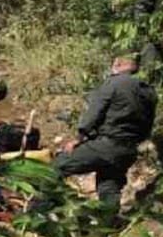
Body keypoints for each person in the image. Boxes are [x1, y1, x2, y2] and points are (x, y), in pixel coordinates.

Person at [55, 55, 157, 207]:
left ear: (117, 64)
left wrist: (79, 137)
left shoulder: (113, 84)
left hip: (106, 145)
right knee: (109, 185)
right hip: (128, 150)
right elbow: (148, 126)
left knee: (56, 167)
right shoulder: (149, 91)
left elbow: (94, 113)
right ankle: (109, 225)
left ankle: (36, 214)